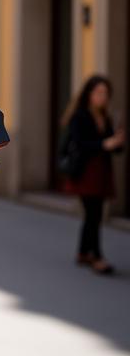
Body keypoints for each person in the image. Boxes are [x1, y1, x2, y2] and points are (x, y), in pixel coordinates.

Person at [61, 74, 125, 275]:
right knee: (93, 214)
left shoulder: (106, 117)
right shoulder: (80, 116)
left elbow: (113, 150)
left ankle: (83, 252)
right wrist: (104, 144)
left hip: (101, 172)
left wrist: (116, 142)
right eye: (99, 92)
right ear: (89, 94)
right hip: (84, 171)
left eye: (106, 93)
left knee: (93, 214)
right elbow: (80, 145)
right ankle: (96, 256)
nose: (103, 97)